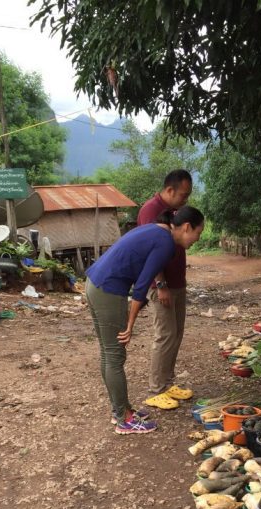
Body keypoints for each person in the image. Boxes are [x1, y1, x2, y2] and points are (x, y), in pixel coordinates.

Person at [85, 206, 204, 435]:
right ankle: (124, 419)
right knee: (115, 355)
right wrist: (130, 324)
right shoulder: (166, 243)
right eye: (198, 233)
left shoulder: (157, 230)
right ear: (187, 227)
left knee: (108, 354)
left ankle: (121, 410)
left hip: (96, 283)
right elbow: (141, 286)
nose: (197, 240)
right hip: (108, 289)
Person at [137, 169, 193, 397]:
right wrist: (160, 284)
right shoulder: (150, 210)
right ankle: (157, 388)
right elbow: (150, 252)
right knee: (165, 334)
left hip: (178, 282)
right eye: (183, 194)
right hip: (162, 286)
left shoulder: (174, 211)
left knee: (177, 332)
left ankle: (169, 382)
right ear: (170, 190)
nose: (185, 199)